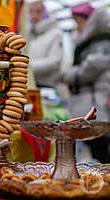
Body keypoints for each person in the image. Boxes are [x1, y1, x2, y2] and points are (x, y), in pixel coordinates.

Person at [62, 4, 110, 163]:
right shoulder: (91, 40)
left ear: (90, 21)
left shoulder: (100, 39)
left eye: (79, 22)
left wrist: (71, 75)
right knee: (95, 146)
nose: (78, 26)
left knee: (99, 145)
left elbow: (94, 65)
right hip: (93, 99)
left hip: (97, 100)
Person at [28, 0, 64, 89]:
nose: (34, 15)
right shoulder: (28, 32)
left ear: (45, 12)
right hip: (29, 84)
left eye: (38, 11)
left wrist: (26, 67)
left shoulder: (56, 33)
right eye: (31, 11)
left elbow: (54, 61)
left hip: (47, 87)